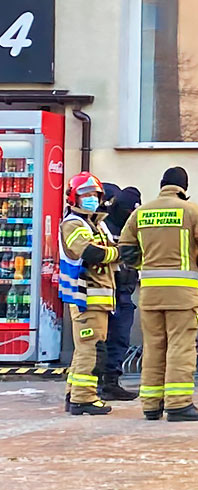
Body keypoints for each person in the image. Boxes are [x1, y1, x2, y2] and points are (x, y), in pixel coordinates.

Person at [119, 167, 198, 422]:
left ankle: (151, 405)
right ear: (183, 188)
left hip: (150, 293)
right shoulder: (191, 211)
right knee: (180, 347)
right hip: (181, 294)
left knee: (154, 347)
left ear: (162, 184)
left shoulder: (140, 213)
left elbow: (126, 251)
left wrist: (147, 265)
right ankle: (178, 404)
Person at [59, 172, 119, 415]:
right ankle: (84, 399)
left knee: (86, 348)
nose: (92, 198)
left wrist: (111, 250)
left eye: (95, 194)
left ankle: (74, 394)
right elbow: (91, 252)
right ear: (75, 197)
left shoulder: (96, 223)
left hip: (97, 299)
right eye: (86, 194)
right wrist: (116, 253)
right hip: (85, 298)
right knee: (91, 349)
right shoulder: (73, 223)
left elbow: (107, 247)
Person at [99, 184, 142, 401]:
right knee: (101, 340)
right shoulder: (103, 226)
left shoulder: (133, 226)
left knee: (120, 338)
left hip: (124, 291)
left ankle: (111, 382)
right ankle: (98, 384)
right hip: (104, 291)